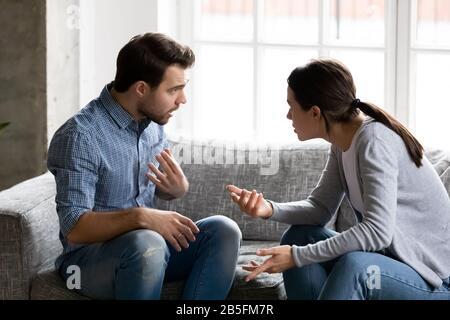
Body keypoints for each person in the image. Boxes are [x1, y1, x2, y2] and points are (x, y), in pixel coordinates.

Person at [227, 58, 450, 300]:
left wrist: (297, 256)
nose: (288, 115)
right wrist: (269, 209)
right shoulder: (342, 143)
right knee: (299, 236)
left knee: (357, 267)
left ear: (315, 112)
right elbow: (320, 209)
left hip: (434, 280)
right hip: (396, 264)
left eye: (292, 106)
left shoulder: (374, 141)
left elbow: (377, 232)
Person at [48, 32, 241, 300]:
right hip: (86, 263)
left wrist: (174, 189)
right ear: (141, 88)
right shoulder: (80, 136)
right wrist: (141, 217)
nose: (182, 99)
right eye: (174, 89)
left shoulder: (153, 124)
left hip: (149, 251)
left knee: (223, 230)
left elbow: (141, 188)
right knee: (147, 242)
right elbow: (75, 228)